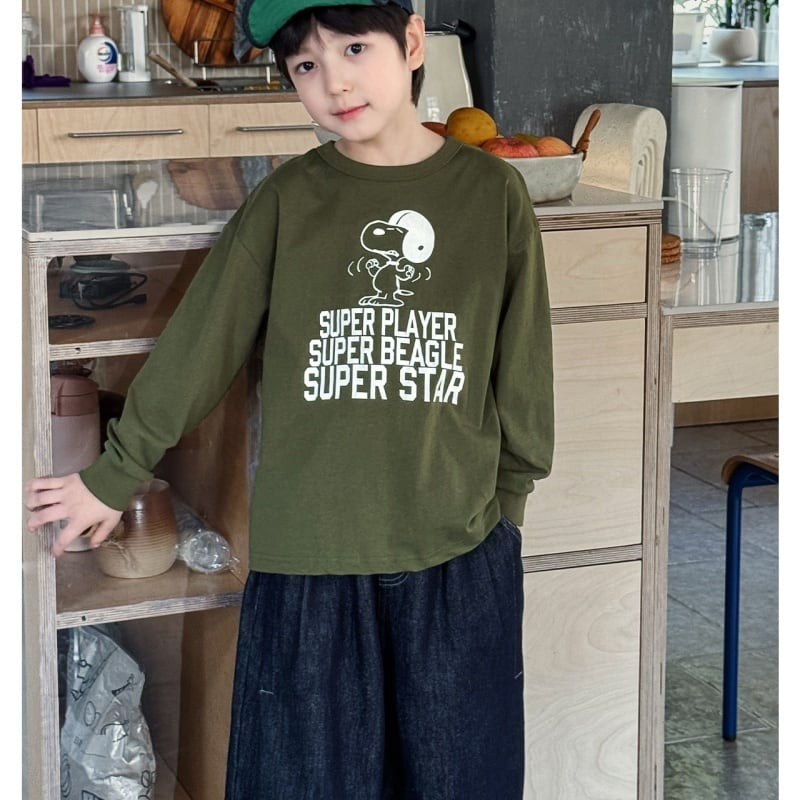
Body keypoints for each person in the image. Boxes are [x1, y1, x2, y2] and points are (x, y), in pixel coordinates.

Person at [25, 0, 554, 796]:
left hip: (457, 555)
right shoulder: (286, 202)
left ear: (412, 42)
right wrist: (115, 472)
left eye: (354, 48)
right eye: (306, 64)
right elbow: (202, 343)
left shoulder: (492, 195)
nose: (334, 81)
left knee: (460, 781)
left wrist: (507, 508)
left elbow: (522, 365)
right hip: (311, 565)